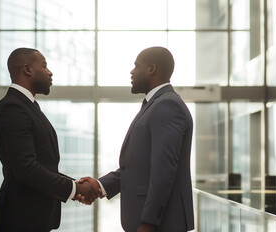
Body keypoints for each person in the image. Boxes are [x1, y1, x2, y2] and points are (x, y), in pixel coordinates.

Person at [80, 46, 195, 232]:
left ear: (151, 69)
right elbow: (138, 167)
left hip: (160, 226)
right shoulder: (156, 105)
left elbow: (163, 171)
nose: (132, 71)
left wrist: (149, 223)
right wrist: (100, 185)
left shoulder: (166, 105)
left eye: (136, 66)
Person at [0, 48, 101, 232]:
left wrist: (74, 187)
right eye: (44, 66)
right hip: (21, 218)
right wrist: (74, 188)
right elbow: (26, 168)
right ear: (27, 69)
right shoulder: (12, 107)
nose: (50, 72)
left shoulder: (27, 106)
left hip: (33, 217)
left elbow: (43, 165)